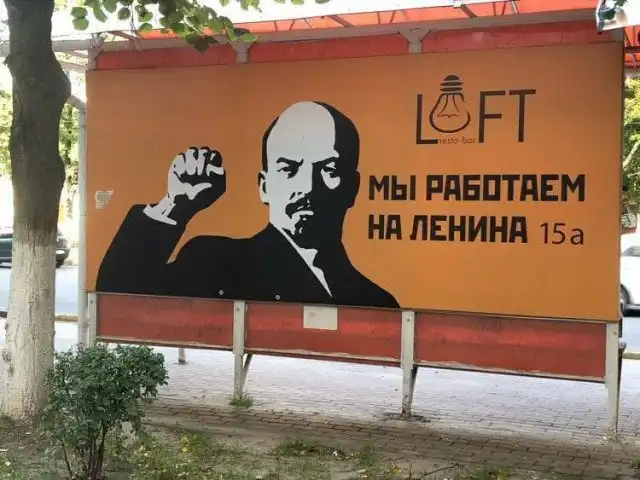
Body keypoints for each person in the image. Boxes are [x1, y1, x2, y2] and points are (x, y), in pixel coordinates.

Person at [96, 101, 399, 308]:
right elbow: (116, 297)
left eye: (328, 169)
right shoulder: (216, 259)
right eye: (289, 168)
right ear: (264, 187)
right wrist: (175, 205)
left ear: (352, 188)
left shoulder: (376, 301)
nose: (307, 186)